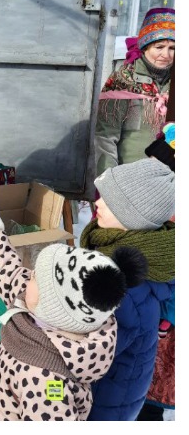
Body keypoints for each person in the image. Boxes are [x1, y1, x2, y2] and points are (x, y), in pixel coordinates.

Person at [0, 182, 145, 420]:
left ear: (55, 310)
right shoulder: (38, 303)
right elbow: (5, 267)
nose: (27, 276)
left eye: (36, 278)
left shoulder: (48, 385)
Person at [82, 159, 175, 421]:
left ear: (132, 218)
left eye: (109, 202)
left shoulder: (129, 287)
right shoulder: (123, 250)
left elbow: (92, 354)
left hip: (104, 401)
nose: (97, 204)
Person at [95, 8, 174, 176]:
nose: (166, 55)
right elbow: (105, 138)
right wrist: (107, 184)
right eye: (159, 47)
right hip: (130, 180)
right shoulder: (123, 81)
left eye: (172, 48)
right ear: (145, 46)